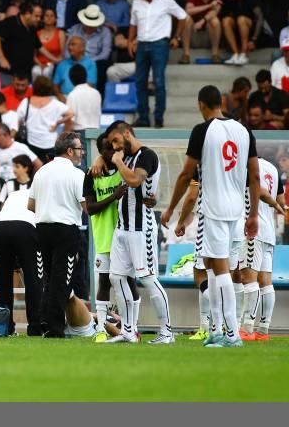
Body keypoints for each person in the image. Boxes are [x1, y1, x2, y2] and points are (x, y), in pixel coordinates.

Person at [162, 85, 259, 348]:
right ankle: (216, 329)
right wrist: (254, 214)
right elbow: (255, 176)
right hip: (237, 210)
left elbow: (185, 175)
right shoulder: (243, 130)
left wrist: (171, 210)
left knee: (218, 268)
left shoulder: (202, 131)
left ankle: (231, 334)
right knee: (212, 267)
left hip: (213, 209)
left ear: (201, 105)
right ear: (222, 103)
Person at [101, 123, 173, 344]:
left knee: (148, 278)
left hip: (142, 229)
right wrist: (100, 159)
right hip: (122, 227)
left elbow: (134, 181)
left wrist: (117, 161)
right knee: (116, 276)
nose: (114, 147)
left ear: (127, 134)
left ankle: (167, 332)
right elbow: (108, 159)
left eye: (116, 141)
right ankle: (129, 331)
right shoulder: (126, 157)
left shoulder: (147, 155)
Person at [27, 132, 86, 337]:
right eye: (79, 149)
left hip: (42, 228)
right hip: (66, 230)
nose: (82, 152)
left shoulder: (42, 171)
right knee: (62, 280)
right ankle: (55, 328)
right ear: (70, 151)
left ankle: (42, 323)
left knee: (48, 279)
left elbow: (31, 205)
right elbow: (86, 206)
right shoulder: (77, 174)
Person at [84, 132, 126, 342]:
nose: (112, 152)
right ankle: (101, 328)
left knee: (125, 282)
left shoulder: (125, 170)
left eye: (114, 148)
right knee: (104, 283)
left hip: (125, 237)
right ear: (100, 152)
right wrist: (113, 196)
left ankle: (129, 328)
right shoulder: (92, 174)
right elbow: (90, 209)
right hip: (103, 237)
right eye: (106, 149)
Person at [129, 0, 187, 128]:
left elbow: (182, 16)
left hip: (160, 44)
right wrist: (130, 41)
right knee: (140, 81)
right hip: (142, 44)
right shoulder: (137, 2)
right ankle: (143, 118)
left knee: (159, 82)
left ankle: (159, 118)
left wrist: (177, 37)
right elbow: (133, 23)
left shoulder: (166, 1)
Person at [237, 157, 284, 340]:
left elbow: (261, 191)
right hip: (269, 231)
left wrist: (273, 204)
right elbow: (279, 197)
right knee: (266, 281)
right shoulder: (272, 168)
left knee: (249, 279)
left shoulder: (247, 165)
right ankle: (263, 330)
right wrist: (277, 206)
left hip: (252, 229)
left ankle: (247, 328)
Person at [0, 180, 41, 335]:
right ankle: (35, 326)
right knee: (34, 278)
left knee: (3, 279)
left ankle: (3, 327)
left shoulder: (14, 194)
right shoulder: (41, 193)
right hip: (26, 227)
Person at [17, 76, 73, 161]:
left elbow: (18, 121)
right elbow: (71, 114)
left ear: (34, 87)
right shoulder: (55, 104)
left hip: (30, 143)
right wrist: (58, 122)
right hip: (50, 143)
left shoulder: (26, 102)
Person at [0, 3, 42, 79]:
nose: (39, 19)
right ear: (28, 14)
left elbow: (39, 47)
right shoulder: (10, 22)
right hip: (7, 73)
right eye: (36, 16)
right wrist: (1, 58)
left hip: (25, 74)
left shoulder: (31, 28)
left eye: (40, 16)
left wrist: (56, 59)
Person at [220, 0, 263, 66]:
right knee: (226, 20)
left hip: (252, 33)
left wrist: (254, 40)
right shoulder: (228, 0)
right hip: (237, 33)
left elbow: (259, 18)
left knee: (241, 19)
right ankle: (235, 54)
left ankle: (243, 54)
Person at [182, 0, 223, 64]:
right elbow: (188, 10)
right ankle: (186, 55)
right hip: (193, 34)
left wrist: (203, 21)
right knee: (186, 18)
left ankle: (215, 54)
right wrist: (209, 6)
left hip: (209, 36)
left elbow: (215, 12)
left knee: (214, 20)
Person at [66, 66, 101, 130]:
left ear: (71, 79)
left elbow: (70, 120)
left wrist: (63, 137)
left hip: (79, 133)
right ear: (86, 76)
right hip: (96, 133)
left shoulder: (72, 95)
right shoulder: (96, 93)